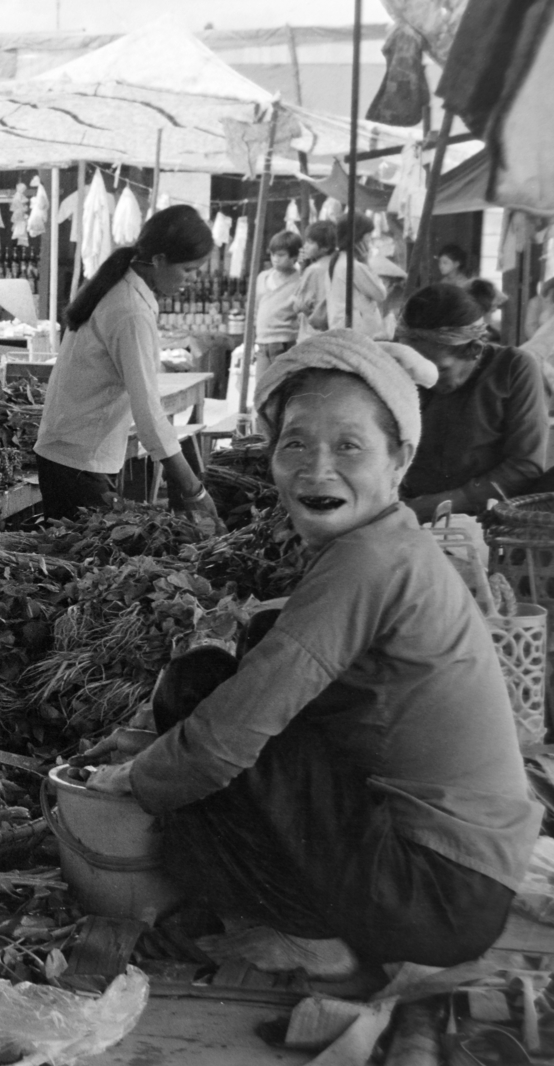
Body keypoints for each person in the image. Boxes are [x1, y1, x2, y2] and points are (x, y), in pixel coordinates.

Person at [86, 330, 538, 976]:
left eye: (348, 446)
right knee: (244, 657)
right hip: (458, 888)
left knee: (200, 695)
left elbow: (223, 738)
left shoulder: (369, 560)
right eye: (295, 443)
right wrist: (144, 743)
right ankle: (330, 923)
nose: (316, 468)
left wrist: (131, 778)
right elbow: (276, 669)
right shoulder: (390, 543)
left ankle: (312, 934)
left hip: (435, 893)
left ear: (400, 459)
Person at [34, 205, 220, 529]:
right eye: (188, 270)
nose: (192, 279)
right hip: (78, 461)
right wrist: (194, 490)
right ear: (159, 260)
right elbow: (149, 417)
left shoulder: (121, 288)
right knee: (80, 555)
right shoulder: (130, 310)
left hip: (71, 453)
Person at [396, 283, 546, 519]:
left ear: (475, 350)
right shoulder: (403, 373)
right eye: (414, 369)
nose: (424, 381)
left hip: (488, 519)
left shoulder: (514, 368)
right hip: (406, 509)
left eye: (439, 370)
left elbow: (525, 466)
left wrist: (432, 507)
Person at [325, 214, 387, 339]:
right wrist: (366, 262)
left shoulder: (337, 261)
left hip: (343, 330)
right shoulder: (353, 266)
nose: (370, 239)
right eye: (368, 235)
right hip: (359, 334)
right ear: (359, 237)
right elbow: (381, 294)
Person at [254, 230, 302, 366]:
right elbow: (256, 309)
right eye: (272, 254)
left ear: (294, 257)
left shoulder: (300, 281)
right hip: (262, 343)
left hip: (285, 343)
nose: (275, 259)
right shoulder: (263, 277)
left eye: (281, 255)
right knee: (262, 380)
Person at [292, 220, 338, 339]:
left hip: (312, 334)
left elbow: (298, 305)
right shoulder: (339, 264)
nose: (305, 246)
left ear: (326, 247)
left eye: (310, 242)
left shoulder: (314, 270)